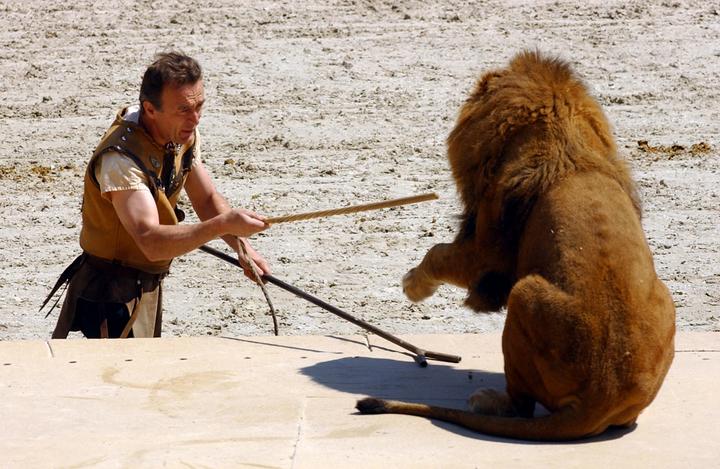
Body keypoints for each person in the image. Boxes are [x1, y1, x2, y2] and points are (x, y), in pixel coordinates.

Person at [44, 51, 270, 339]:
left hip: (144, 283)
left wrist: (244, 251)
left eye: (200, 106)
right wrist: (222, 226)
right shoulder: (121, 160)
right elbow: (150, 241)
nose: (196, 119)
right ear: (150, 110)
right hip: (109, 295)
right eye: (184, 110)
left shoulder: (178, 133)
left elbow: (206, 199)